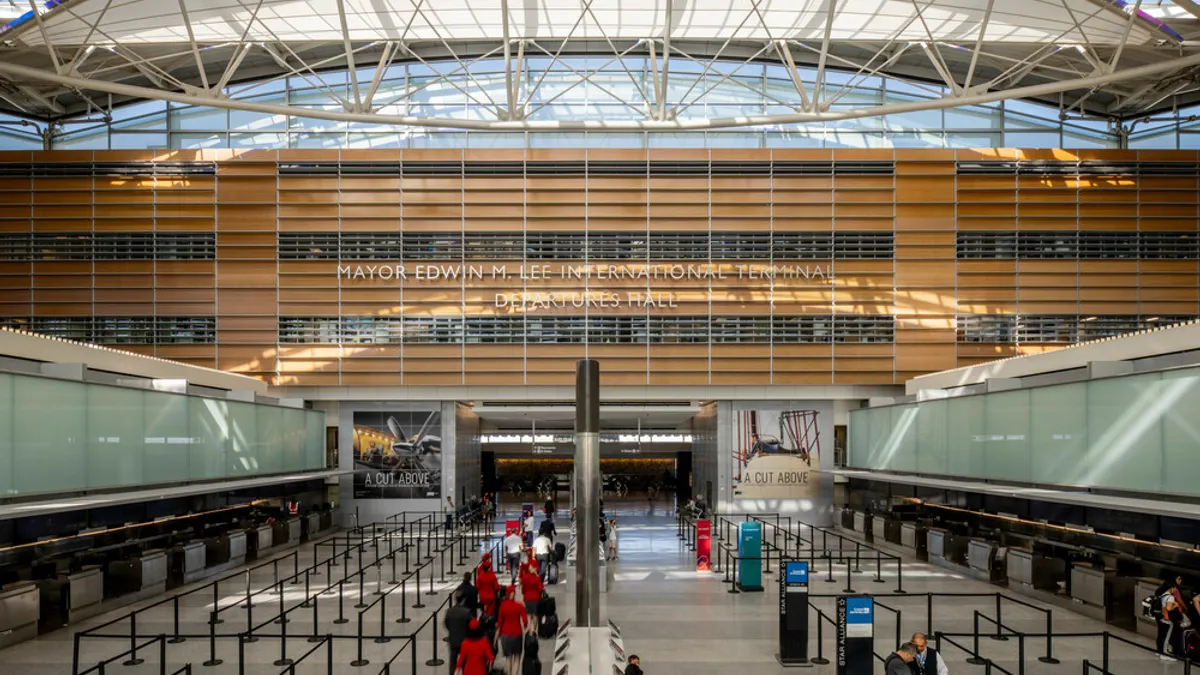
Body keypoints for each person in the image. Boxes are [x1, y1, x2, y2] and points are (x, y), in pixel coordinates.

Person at [495, 587, 529, 675]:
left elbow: (499, 624)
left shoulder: (502, 605)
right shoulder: (519, 606)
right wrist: (526, 629)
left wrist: (495, 639)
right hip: (517, 634)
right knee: (517, 658)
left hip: (505, 635)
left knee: (508, 658)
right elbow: (525, 621)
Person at [1157, 575, 1186, 660]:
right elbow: (1169, 608)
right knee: (1167, 637)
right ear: (1172, 588)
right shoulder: (1171, 597)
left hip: (1162, 618)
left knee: (1162, 636)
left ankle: (1161, 651)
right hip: (1167, 620)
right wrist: (1176, 605)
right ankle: (1165, 654)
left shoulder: (1163, 594)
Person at [445, 591, 474, 675]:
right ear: (464, 599)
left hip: (453, 640)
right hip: (464, 641)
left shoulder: (449, 611)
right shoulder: (467, 612)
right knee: (465, 662)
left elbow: (446, 624)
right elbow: (472, 626)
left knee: (453, 663)